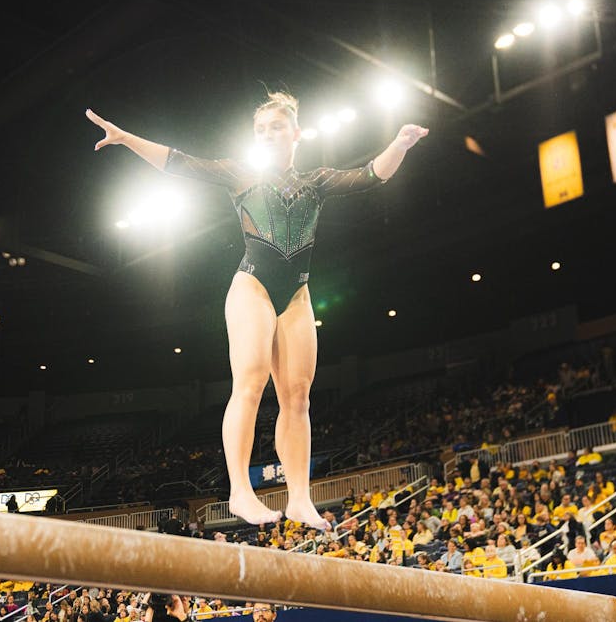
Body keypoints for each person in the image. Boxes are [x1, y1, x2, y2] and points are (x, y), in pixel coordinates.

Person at [87, 95, 428, 528]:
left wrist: (399, 143)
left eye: (277, 126)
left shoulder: (316, 181)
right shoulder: (240, 175)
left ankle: (300, 498)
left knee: (298, 397)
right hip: (252, 287)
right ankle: (240, 493)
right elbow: (179, 162)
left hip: (297, 296)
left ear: (296, 133)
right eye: (261, 128)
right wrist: (125, 138)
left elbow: (370, 175)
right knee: (250, 385)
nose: (268, 134)